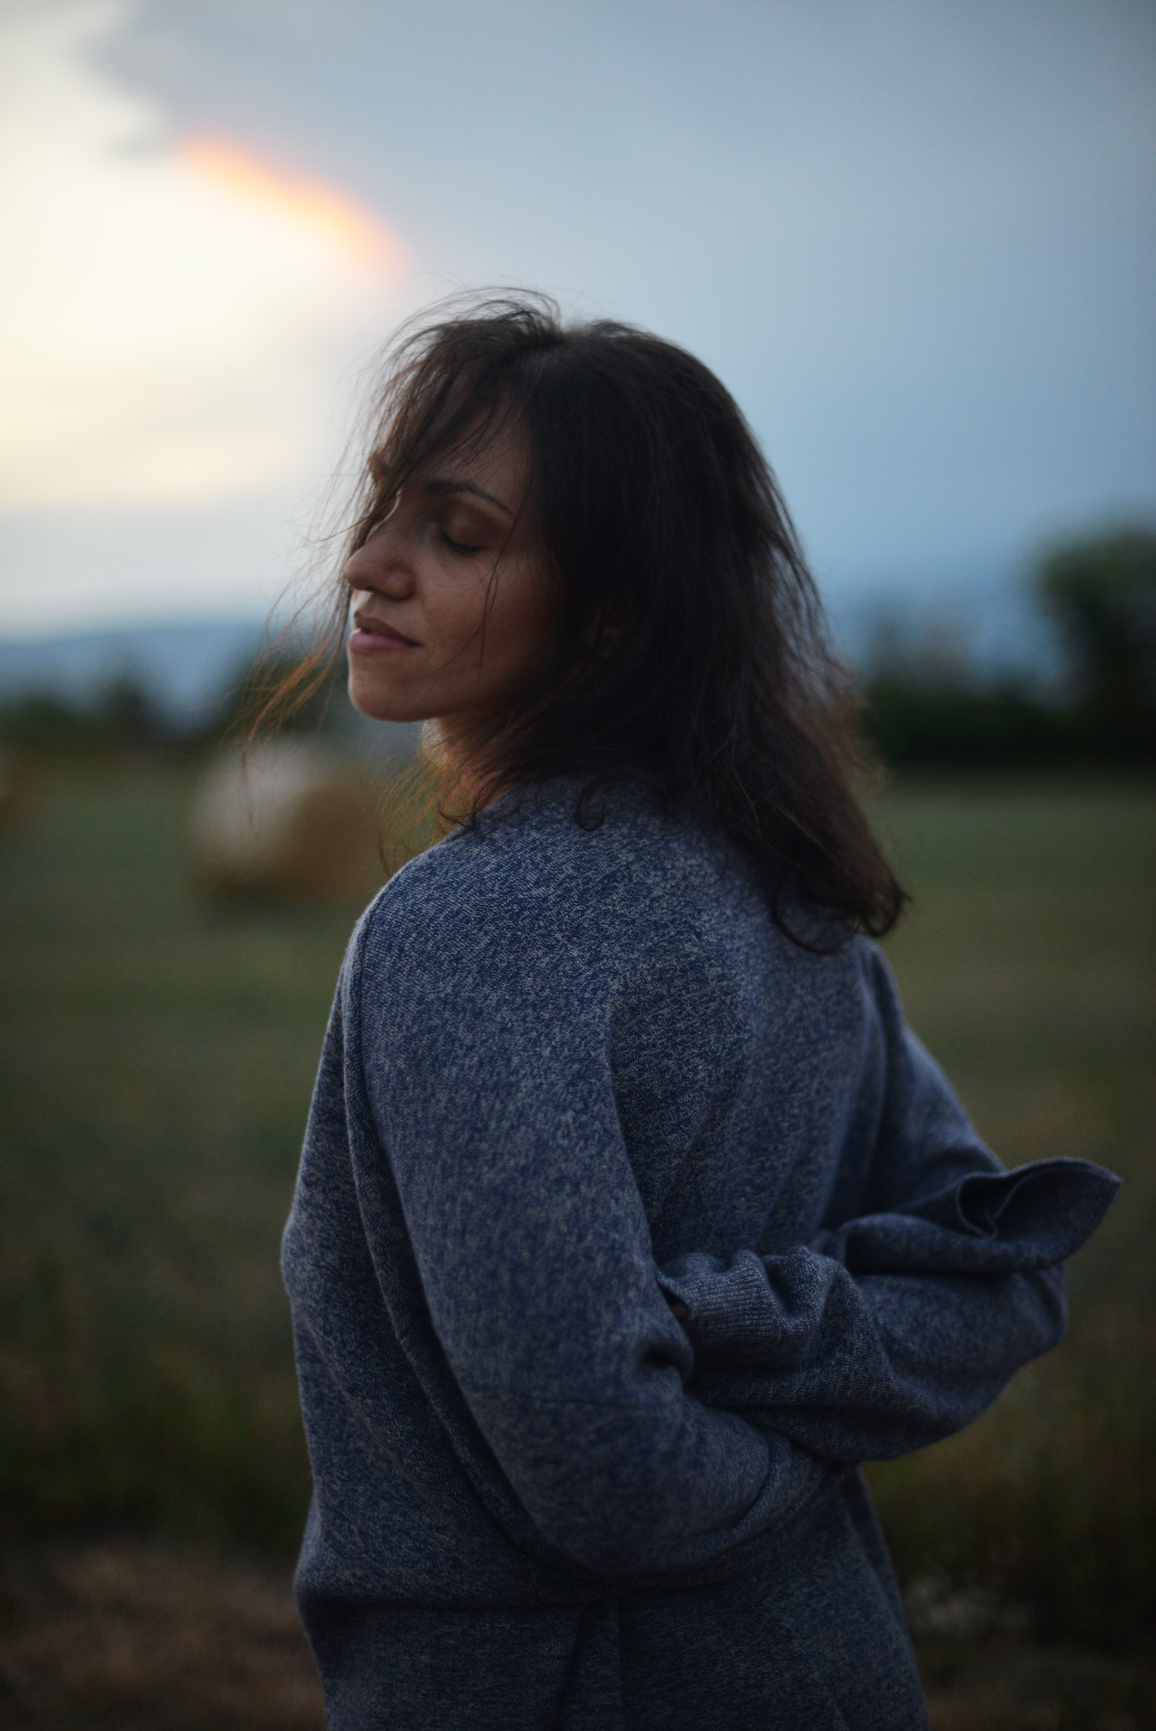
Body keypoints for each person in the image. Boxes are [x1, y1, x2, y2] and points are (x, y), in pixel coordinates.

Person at [280, 294, 1118, 1731]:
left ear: (610, 617)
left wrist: (722, 1339)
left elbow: (614, 1481)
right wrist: (812, 1411)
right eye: (382, 513)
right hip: (834, 1669)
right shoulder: (787, 894)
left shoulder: (463, 936)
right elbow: (998, 1265)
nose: (367, 564)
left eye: (457, 534)